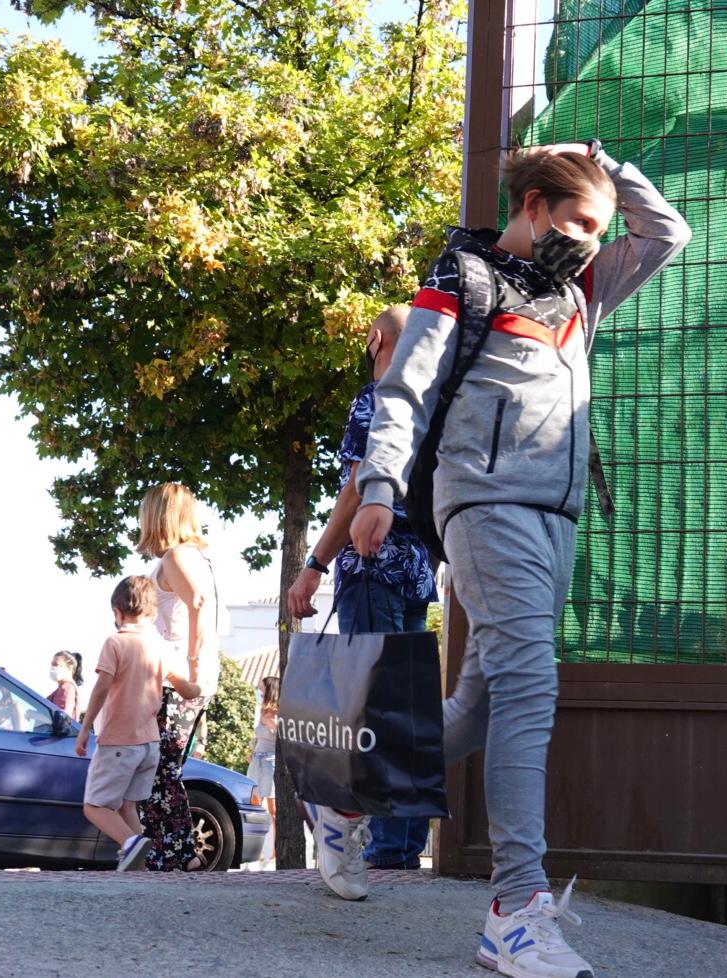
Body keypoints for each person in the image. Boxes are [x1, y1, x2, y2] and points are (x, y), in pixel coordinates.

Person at [348, 144, 691, 976]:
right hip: (484, 503)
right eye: (577, 220)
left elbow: (668, 233)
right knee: (533, 681)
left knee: (486, 699)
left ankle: (349, 794)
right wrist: (379, 488)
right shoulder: (461, 279)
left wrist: (607, 166)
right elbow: (406, 392)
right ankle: (514, 907)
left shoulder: (582, 289)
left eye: (600, 229)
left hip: (559, 516)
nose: (590, 239)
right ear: (532, 204)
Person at [287, 306, 438, 898]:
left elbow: (356, 487)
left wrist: (312, 566)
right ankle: (397, 850)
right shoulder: (429, 406)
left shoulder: (373, 398)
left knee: (362, 710)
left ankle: (342, 826)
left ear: (376, 338)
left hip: (372, 565)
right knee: (404, 710)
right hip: (416, 572)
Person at [76, 576, 200, 871]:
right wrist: (200, 683)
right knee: (127, 805)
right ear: (153, 613)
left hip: (119, 742)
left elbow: (102, 687)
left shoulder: (116, 643)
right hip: (150, 746)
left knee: (94, 806)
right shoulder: (160, 647)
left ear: (116, 612)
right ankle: (143, 869)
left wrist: (84, 728)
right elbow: (186, 689)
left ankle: (130, 844)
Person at [137, 482, 220, 871]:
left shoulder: (176, 557)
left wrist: (191, 663)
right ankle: (177, 852)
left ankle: (171, 854)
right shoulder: (191, 558)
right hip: (182, 678)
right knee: (163, 769)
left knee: (158, 768)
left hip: (177, 682)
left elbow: (198, 604)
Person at [246, 675, 279, 858]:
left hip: (270, 761)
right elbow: (257, 737)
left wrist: (273, 724)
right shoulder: (261, 712)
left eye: (261, 688)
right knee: (254, 804)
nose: (259, 691)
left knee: (273, 810)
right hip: (257, 760)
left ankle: (275, 850)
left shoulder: (277, 713)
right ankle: (255, 850)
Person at [47, 651, 83, 721]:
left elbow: (62, 718)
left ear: (70, 668)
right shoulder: (63, 688)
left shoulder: (67, 688)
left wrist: (35, 715)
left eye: (56, 665)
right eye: (52, 664)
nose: (52, 667)